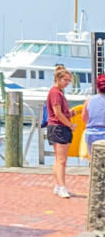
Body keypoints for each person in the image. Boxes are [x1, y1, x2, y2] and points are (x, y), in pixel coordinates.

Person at [47, 64, 74, 198]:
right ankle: (62, 186)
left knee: (58, 159)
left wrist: (69, 113)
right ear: (58, 79)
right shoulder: (56, 93)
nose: (67, 83)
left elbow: (59, 112)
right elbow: (57, 113)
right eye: (65, 80)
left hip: (57, 127)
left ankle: (58, 185)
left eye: (69, 81)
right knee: (62, 160)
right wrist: (70, 124)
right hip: (59, 127)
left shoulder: (58, 93)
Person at [83, 73, 105, 154]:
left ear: (97, 86)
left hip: (92, 136)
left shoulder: (89, 100)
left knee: (95, 161)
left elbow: (84, 118)